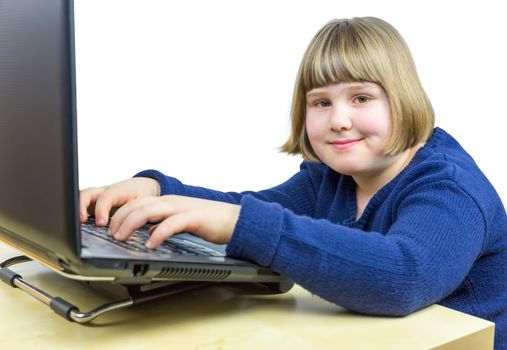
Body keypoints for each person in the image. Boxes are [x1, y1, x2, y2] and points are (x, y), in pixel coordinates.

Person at [80, 17, 507, 348]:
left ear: (404, 98)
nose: (339, 120)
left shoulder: (449, 187)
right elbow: (244, 206)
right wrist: (157, 190)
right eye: (321, 102)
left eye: (361, 98)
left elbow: (402, 276)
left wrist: (239, 222)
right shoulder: (331, 179)